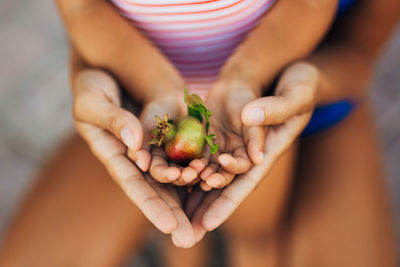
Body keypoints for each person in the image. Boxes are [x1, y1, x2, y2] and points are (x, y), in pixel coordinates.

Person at [0, 0, 398, 266]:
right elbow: (84, 11)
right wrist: (104, 79)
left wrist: (274, 78)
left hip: (273, 98)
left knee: (257, 233)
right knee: (182, 230)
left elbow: (345, 36)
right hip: (149, 101)